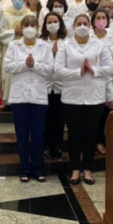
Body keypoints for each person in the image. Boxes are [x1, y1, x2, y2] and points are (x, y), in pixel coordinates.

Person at [55, 14, 113, 185]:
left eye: (85, 23)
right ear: (73, 26)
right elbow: (58, 69)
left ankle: (88, 169)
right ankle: (75, 169)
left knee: (90, 135)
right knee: (74, 135)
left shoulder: (100, 45)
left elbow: (110, 68)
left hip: (94, 98)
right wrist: (77, 73)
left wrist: (94, 70)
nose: (82, 26)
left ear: (90, 26)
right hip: (72, 98)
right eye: (79, 23)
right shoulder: (65, 46)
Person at [3, 15, 53, 183]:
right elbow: (7, 66)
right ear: (21, 28)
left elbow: (49, 69)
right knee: (22, 136)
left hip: (38, 97)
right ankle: (24, 168)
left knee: (38, 135)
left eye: (33, 25)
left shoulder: (44, 46)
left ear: (37, 28)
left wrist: (35, 65)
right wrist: (25, 64)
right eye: (27, 25)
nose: (30, 28)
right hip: (20, 97)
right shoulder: (13, 45)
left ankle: (38, 169)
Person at [41, 12, 67, 160]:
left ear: (60, 23)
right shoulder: (40, 42)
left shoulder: (67, 42)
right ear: (45, 25)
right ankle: (46, 146)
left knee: (59, 118)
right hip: (45, 85)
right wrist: (52, 53)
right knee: (46, 117)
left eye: (55, 21)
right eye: (49, 22)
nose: (52, 25)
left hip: (61, 86)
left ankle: (57, 146)